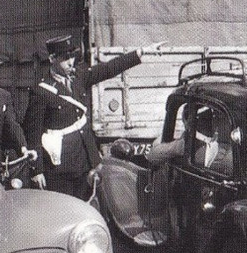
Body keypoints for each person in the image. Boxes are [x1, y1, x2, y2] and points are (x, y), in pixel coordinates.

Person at [25, 35, 165, 198]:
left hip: (87, 159)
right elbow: (32, 134)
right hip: (62, 168)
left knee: (94, 205)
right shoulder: (42, 90)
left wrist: (141, 53)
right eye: (65, 58)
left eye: (72, 57)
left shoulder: (78, 77)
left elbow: (108, 68)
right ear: (52, 59)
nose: (71, 62)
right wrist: (37, 170)